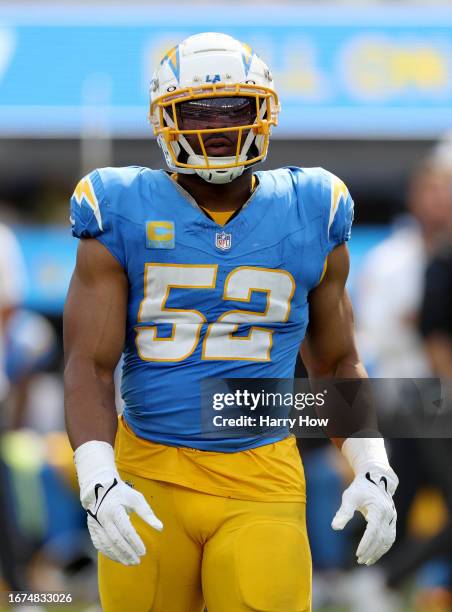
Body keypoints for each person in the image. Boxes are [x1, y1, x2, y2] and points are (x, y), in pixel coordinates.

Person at [64, 32, 398, 612]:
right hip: (147, 471)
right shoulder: (119, 207)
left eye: (234, 108)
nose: (217, 126)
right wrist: (97, 474)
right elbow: (88, 363)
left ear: (263, 112)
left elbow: (338, 359)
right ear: (165, 119)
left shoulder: (313, 207)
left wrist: (371, 462)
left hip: (262, 474)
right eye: (198, 111)